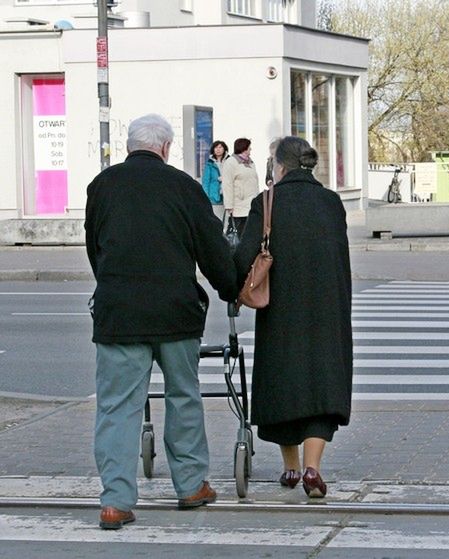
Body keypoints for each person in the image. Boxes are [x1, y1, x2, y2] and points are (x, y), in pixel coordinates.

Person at [85, 114, 240, 530]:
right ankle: (190, 486)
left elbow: (94, 247)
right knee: (183, 397)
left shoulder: (102, 186)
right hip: (175, 314)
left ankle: (115, 502)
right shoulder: (184, 187)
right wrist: (232, 289)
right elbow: (211, 249)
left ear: (129, 146)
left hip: (119, 316)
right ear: (166, 148)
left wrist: (113, 287)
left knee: (117, 408)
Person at [233, 136, 352, 499]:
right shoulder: (332, 202)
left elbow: (243, 258)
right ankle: (313, 468)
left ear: (279, 166)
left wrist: (231, 288)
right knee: (320, 383)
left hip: (281, 310)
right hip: (327, 308)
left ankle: (290, 469)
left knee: (284, 383)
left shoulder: (267, 201)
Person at [222, 137, 260, 237]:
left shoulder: (251, 162)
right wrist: (229, 205)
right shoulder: (231, 162)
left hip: (251, 204)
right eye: (249, 148)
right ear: (243, 148)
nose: (250, 150)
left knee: (250, 235)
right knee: (239, 235)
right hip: (238, 205)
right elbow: (227, 184)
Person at [201, 140, 229, 219]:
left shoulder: (230, 162)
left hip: (228, 194)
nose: (218, 149)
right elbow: (205, 182)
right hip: (214, 196)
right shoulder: (209, 164)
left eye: (220, 147)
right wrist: (206, 196)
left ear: (224, 149)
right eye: (216, 147)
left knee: (228, 219)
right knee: (217, 217)